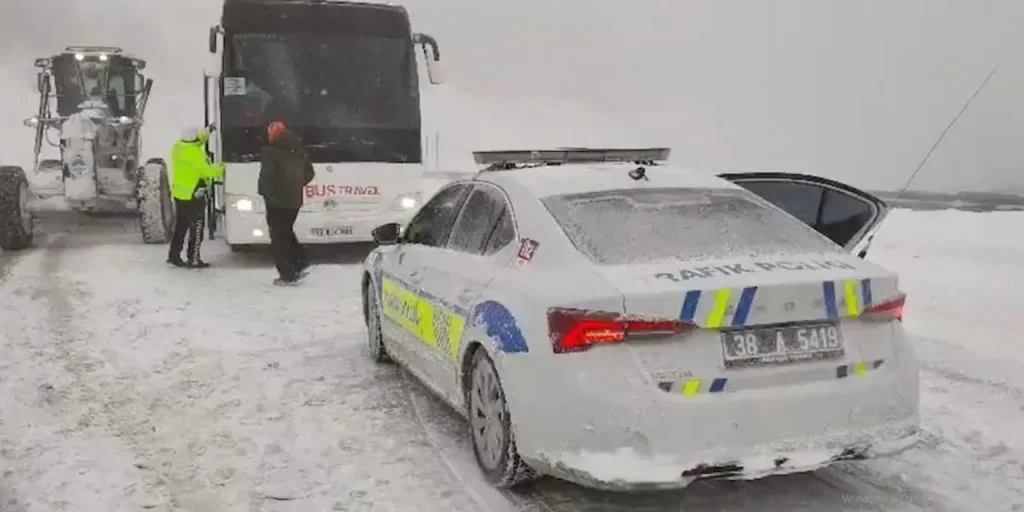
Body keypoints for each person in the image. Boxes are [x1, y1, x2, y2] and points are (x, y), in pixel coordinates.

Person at [259, 121, 315, 285]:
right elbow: (310, 173)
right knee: (286, 232)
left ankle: (288, 274)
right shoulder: (299, 149)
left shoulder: (269, 152)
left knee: (278, 237)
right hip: (294, 200)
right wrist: (296, 186)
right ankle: (299, 263)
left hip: (276, 201)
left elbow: (267, 177)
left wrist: (265, 193)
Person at [168, 125, 223, 268]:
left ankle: (173, 255)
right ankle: (193, 258)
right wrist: (222, 168)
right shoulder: (195, 154)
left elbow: (199, 140)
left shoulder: (179, 147)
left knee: (181, 226)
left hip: (180, 194)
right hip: (193, 196)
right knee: (197, 228)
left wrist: (208, 131)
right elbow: (208, 171)